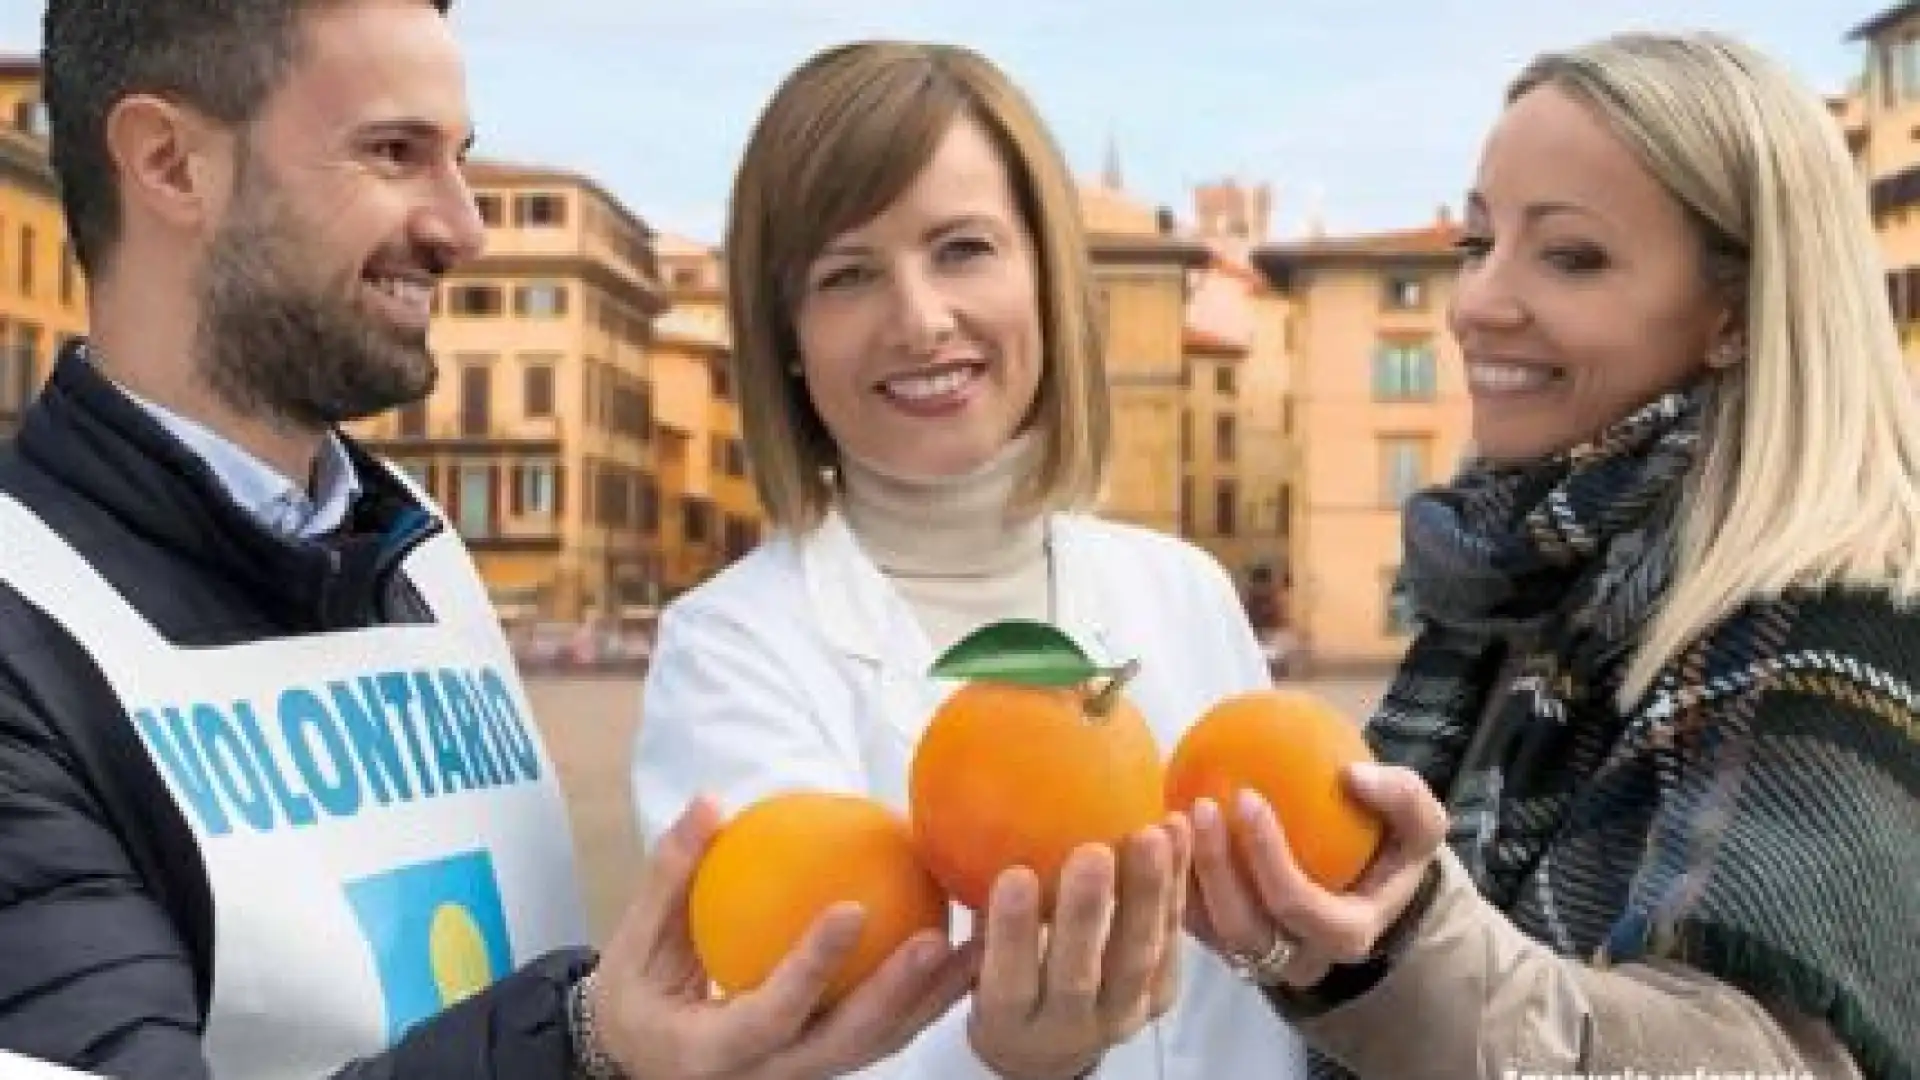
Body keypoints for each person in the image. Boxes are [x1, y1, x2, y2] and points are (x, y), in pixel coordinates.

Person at [0, 2, 970, 1077]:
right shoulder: (21, 629)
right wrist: (590, 1044)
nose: (464, 227)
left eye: (456, 158)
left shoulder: (423, 555)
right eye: (394, 153)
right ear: (172, 165)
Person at [1179, 30, 1920, 1080]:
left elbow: (1754, 1059)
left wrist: (1399, 943)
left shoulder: (1833, 632)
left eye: (1570, 256)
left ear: (1737, 315)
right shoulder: (1515, 591)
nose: (1477, 304)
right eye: (1478, 244)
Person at [631, 39, 1311, 1080]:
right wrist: (1008, 1064)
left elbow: (1273, 979)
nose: (920, 319)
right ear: (789, 336)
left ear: (1044, 272)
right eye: (848, 274)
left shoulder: (1183, 593)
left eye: (962, 249)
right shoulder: (730, 648)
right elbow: (782, 1044)